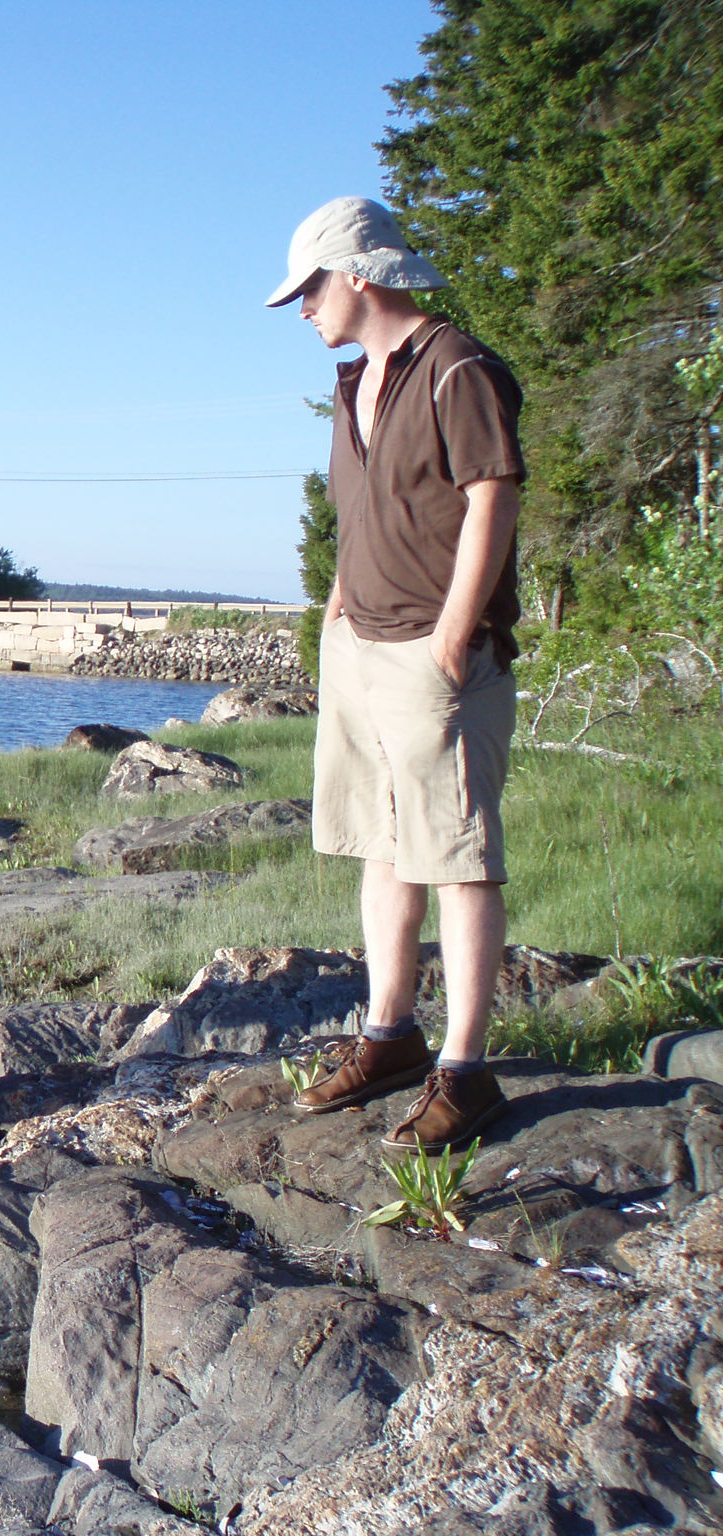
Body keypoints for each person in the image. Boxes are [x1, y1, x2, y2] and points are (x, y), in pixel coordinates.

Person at [266, 196, 524, 1151]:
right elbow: (371, 509)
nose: (302, 308)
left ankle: (466, 1070)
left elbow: (491, 497)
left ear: (358, 275)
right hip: (363, 645)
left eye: (309, 287)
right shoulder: (355, 382)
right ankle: (391, 1034)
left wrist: (456, 636)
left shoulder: (458, 368)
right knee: (383, 843)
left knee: (455, 859)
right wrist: (337, 598)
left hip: (433, 651)